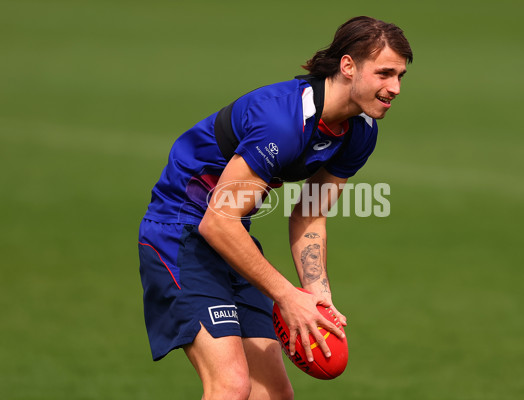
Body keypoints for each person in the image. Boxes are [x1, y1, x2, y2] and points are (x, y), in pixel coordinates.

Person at [138, 15, 412, 399]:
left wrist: (317, 294)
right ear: (348, 66)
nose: (395, 87)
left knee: (274, 395)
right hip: (178, 234)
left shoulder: (360, 131)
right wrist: (286, 295)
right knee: (231, 386)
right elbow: (216, 223)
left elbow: (310, 212)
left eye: (400, 76)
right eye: (385, 73)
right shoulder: (283, 122)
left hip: (232, 238)